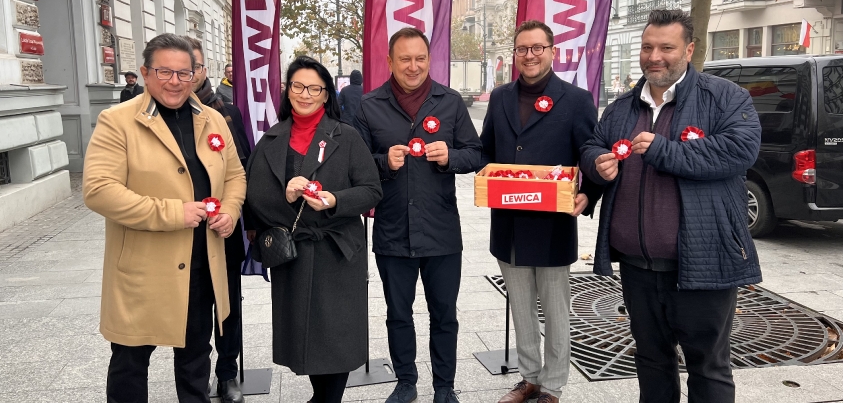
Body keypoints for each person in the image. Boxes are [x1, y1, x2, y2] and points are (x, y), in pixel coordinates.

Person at [579, 9, 762, 403]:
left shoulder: (725, 97)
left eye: (666, 47)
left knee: (708, 366)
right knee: (651, 360)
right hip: (637, 266)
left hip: (703, 263)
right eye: (647, 47)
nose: (654, 56)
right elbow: (593, 144)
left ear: (689, 50)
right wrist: (595, 163)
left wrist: (664, 150)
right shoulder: (622, 107)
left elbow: (740, 151)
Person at [83, 33, 247, 403]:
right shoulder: (117, 121)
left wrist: (230, 210)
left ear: (196, 75)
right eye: (164, 72)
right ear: (145, 73)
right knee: (130, 363)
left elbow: (235, 175)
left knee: (195, 359)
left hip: (201, 265)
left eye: (184, 73)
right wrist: (174, 212)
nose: (175, 81)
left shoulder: (213, 120)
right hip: (144, 269)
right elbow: (99, 190)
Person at [354, 27, 482, 403]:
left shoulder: (450, 102)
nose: (413, 66)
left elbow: (475, 153)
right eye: (405, 59)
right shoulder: (369, 105)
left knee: (444, 314)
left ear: (429, 60)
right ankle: (406, 382)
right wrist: (384, 162)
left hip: (441, 231)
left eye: (420, 58)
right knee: (398, 313)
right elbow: (354, 165)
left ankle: (444, 387)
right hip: (393, 230)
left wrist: (451, 156)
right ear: (390, 62)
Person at [245, 56, 382, 403]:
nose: (305, 94)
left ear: (326, 95)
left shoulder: (346, 137)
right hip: (294, 253)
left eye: (314, 88)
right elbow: (254, 199)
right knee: (304, 334)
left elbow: (372, 190)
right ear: (287, 90)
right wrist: (287, 195)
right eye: (298, 86)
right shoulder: (271, 139)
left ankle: (327, 399)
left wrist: (335, 200)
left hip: (338, 252)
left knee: (336, 335)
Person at [480, 21, 602, 403]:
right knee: (520, 308)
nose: (529, 55)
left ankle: (552, 386)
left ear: (552, 51)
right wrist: (483, 172)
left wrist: (589, 193)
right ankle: (530, 377)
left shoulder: (576, 100)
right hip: (509, 224)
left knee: (556, 310)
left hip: (553, 225)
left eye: (537, 48)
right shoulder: (500, 97)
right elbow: (486, 150)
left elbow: (591, 152)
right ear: (515, 54)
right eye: (522, 48)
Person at [185, 37, 250, 403]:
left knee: (227, 310)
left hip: (222, 231)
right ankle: (195, 380)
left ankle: (227, 374)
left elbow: (242, 169)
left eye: (192, 67)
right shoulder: (162, 115)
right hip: (181, 234)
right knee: (192, 313)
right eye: (178, 68)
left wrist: (238, 214)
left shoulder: (226, 112)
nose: (186, 75)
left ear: (203, 69)